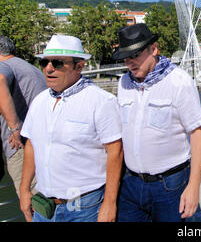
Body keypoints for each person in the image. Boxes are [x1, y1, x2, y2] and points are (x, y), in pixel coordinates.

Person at [19, 35, 123, 222]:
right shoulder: (39, 101)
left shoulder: (101, 101)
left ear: (79, 66)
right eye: (44, 62)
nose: (49, 69)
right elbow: (31, 145)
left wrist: (109, 203)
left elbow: (115, 151)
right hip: (43, 206)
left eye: (58, 63)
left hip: (85, 208)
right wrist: (24, 189)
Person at [113, 23, 201, 222]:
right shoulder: (124, 83)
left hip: (170, 186)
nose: (130, 62)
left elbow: (197, 132)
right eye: (126, 57)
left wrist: (194, 186)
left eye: (135, 54)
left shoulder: (178, 81)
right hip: (130, 184)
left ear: (154, 49)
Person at [0, 36, 46, 197]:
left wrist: (15, 127)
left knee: (33, 203)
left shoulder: (4, 66)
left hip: (20, 147)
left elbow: (0, 79)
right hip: (39, 143)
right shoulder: (28, 67)